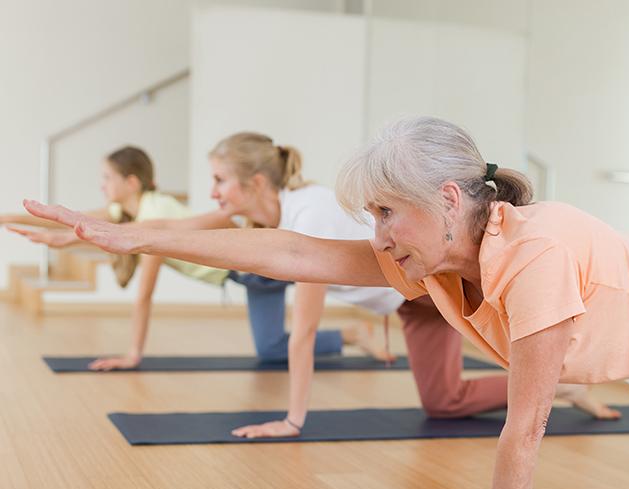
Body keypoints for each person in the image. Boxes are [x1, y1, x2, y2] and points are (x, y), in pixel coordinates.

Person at [28, 115, 629, 489]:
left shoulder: (538, 251)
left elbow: (525, 427)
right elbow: (291, 254)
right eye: (372, 214)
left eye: (388, 213)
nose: (379, 236)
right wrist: (136, 237)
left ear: (449, 200)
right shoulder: (437, 261)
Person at [7, 146, 382, 370]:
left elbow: (144, 295)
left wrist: (133, 354)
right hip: (244, 273)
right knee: (270, 349)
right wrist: (25, 225)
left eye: (107, 177)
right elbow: (93, 223)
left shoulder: (152, 221)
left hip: (254, 270)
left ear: (132, 182)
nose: (102, 186)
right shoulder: (135, 210)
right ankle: (352, 333)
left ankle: (356, 329)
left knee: (284, 338)